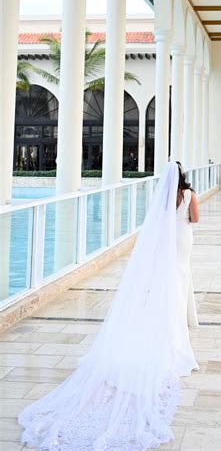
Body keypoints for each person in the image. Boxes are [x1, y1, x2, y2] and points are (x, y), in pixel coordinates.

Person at [19, 161, 199, 450]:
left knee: (170, 280)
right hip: (183, 239)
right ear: (183, 176)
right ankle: (178, 333)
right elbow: (195, 219)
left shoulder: (164, 195)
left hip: (169, 240)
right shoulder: (190, 194)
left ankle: (172, 323)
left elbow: (158, 221)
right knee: (181, 276)